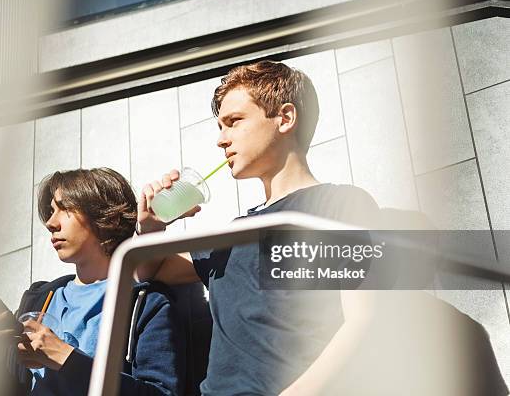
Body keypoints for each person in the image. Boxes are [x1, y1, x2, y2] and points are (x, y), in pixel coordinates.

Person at [135, 60, 381, 395]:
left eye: (233, 122)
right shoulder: (234, 234)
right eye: (220, 127)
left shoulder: (335, 206)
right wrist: (150, 227)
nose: (221, 140)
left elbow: (365, 321)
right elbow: (152, 270)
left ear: (285, 118)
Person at [0, 167, 185, 396]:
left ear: (108, 216)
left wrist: (64, 357)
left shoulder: (147, 304)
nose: (50, 223)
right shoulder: (38, 299)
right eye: (51, 210)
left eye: (64, 209)